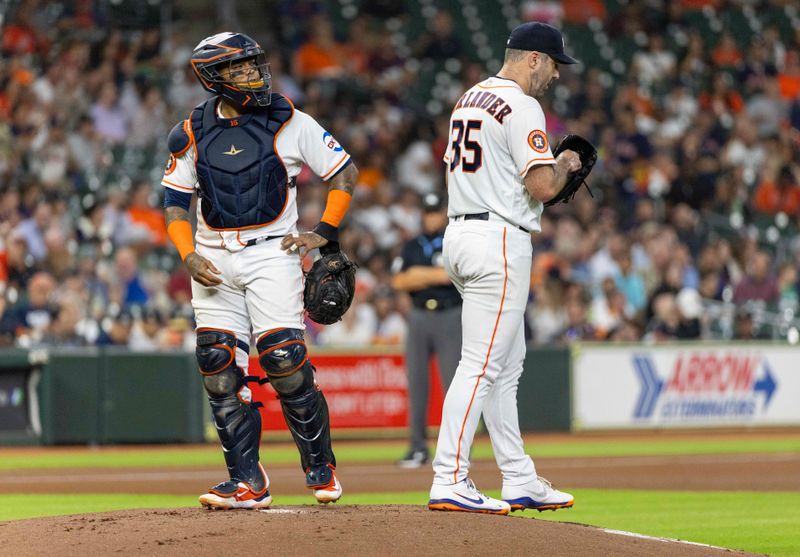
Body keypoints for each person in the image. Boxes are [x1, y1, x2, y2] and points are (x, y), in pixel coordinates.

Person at [162, 32, 359, 510]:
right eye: (242, 68)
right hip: (211, 256)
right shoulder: (190, 129)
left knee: (283, 357)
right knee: (217, 364)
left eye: (255, 64)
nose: (255, 73)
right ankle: (247, 481)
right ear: (215, 77)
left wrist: (325, 231)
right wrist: (187, 255)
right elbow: (174, 203)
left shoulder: (289, 119)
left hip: (272, 251)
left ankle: (319, 462)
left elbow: (344, 172)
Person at [427, 22, 580, 515]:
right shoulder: (522, 103)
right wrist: (567, 165)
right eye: (554, 64)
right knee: (482, 366)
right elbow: (541, 187)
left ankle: (518, 477)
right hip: (498, 240)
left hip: (461, 234)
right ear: (533, 59)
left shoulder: (469, 97)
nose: (556, 75)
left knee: (506, 368)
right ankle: (449, 477)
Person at [391, 192, 461, 468]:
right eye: (428, 212)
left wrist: (418, 275)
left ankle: (454, 449)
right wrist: (434, 276)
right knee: (417, 386)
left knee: (453, 386)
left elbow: (453, 275)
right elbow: (399, 281)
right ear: (423, 214)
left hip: (450, 315)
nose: (432, 217)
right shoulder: (412, 245)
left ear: (443, 212)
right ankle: (418, 448)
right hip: (419, 315)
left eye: (436, 211)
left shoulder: (454, 238)